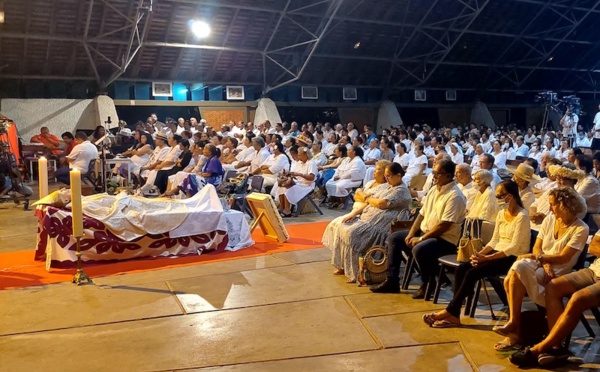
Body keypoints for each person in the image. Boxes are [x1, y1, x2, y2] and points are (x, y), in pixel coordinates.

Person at [422, 181, 530, 328]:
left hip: (512, 258)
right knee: (462, 268)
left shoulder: (522, 216)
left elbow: (514, 247)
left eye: (500, 196)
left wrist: (487, 258)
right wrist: (479, 254)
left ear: (510, 196)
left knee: (472, 273)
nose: (497, 198)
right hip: (496, 253)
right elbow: (494, 240)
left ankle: (450, 311)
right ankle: (454, 314)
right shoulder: (501, 214)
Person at [495, 187, 588, 350]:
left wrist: (537, 258)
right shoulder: (550, 220)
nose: (549, 208)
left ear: (565, 205)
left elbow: (563, 258)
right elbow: (537, 247)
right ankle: (514, 324)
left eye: (552, 204)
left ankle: (514, 329)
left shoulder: (581, 228)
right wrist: (543, 262)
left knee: (515, 272)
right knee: (518, 267)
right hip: (542, 264)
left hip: (560, 270)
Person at [372, 159, 466, 296]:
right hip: (427, 232)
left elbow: (444, 225)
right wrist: (411, 234)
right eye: (434, 172)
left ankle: (428, 283)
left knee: (420, 248)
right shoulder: (434, 189)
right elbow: (421, 215)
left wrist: (421, 238)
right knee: (394, 238)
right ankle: (392, 281)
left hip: (444, 240)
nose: (434, 176)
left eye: (438, 173)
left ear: (448, 175)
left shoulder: (455, 195)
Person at [509, 231, 600, 368]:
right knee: (553, 286)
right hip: (594, 271)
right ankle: (556, 347)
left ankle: (540, 348)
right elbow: (593, 246)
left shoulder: (580, 227)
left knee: (577, 299)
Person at [323, 162, 411, 283]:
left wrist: (368, 198)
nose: (386, 178)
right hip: (367, 219)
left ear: (399, 176)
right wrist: (353, 213)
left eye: (389, 176)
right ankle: (344, 266)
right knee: (342, 227)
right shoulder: (387, 186)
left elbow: (381, 204)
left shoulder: (401, 190)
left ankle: (357, 272)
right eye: (386, 176)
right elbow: (368, 201)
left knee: (352, 233)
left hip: (381, 226)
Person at [271, 146, 318, 217]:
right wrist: (287, 174)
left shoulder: (311, 163)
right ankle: (282, 207)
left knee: (288, 188)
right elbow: (293, 173)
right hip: (298, 182)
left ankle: (287, 210)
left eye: (300, 155)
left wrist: (300, 174)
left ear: (306, 155)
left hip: (306, 185)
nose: (298, 157)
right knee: (282, 186)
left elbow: (311, 177)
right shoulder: (299, 163)